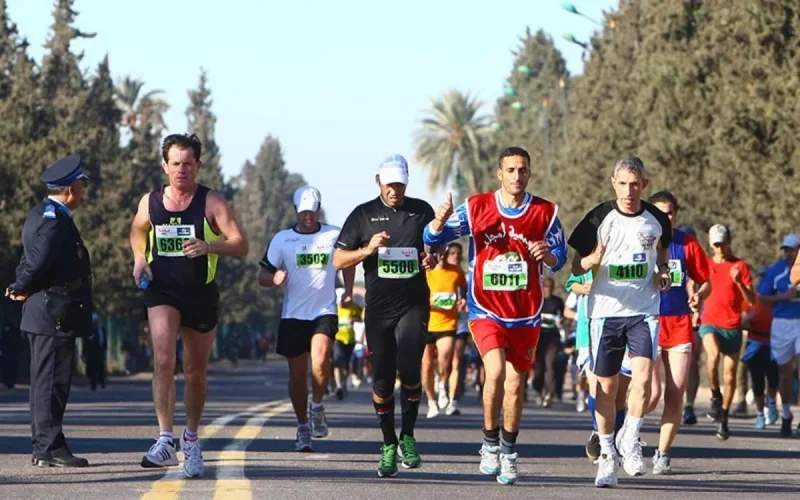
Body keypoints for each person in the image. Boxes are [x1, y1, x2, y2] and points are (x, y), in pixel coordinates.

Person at [424, 146, 567, 485]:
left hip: (525, 312)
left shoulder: (545, 212)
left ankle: (509, 451)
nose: (517, 176)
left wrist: (546, 254)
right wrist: (438, 221)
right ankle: (489, 442)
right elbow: (432, 237)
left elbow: (560, 257)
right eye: (511, 170)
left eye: (523, 170)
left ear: (529, 173)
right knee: (496, 372)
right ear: (499, 174)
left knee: (516, 386)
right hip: (485, 309)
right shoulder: (477, 208)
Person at [130, 133, 249, 477]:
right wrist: (140, 258)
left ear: (198, 165)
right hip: (162, 290)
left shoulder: (211, 202)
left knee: (195, 371)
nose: (181, 170)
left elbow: (241, 244)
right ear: (164, 165)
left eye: (188, 163)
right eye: (175, 163)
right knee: (164, 359)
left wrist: (209, 247)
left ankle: (192, 440)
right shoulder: (150, 202)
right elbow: (137, 229)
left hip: (200, 292)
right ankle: (165, 439)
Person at [568, 155, 671, 488]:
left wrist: (664, 272)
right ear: (614, 183)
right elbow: (574, 267)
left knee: (644, 376)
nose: (629, 190)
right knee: (607, 388)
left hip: (644, 311)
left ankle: (632, 437)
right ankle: (608, 453)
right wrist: (591, 259)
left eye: (635, 184)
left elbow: (663, 252)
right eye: (623, 183)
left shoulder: (656, 219)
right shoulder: (599, 218)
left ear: (644, 184)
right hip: (606, 313)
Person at [333, 154, 437, 477]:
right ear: (378, 181)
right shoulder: (363, 215)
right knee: (381, 379)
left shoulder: (422, 211)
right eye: (389, 184)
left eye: (400, 184)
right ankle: (388, 442)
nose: (395, 190)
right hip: (378, 310)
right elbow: (337, 260)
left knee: (408, 368)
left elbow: (437, 245)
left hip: (413, 304)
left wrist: (432, 258)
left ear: (407, 182)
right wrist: (367, 250)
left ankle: (408, 435)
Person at [5, 154, 93, 467]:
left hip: (46, 311)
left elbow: (28, 259)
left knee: (46, 381)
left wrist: (21, 284)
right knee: (51, 383)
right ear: (70, 189)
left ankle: (46, 445)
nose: (84, 190)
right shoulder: (54, 221)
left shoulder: (40, 214)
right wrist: (20, 286)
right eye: (82, 184)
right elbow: (39, 261)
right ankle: (49, 446)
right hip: (52, 312)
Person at [259, 185, 354, 450]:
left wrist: (347, 290)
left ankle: (318, 406)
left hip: (323, 310)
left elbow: (348, 261)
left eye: (312, 212)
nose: (308, 217)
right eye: (303, 213)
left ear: (318, 209)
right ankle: (302, 426)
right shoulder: (282, 240)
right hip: (293, 315)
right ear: (296, 211)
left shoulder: (334, 235)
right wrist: (274, 278)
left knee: (322, 358)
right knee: (298, 374)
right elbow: (262, 275)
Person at [645, 192, 711, 474]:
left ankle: (662, 453)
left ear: (676, 214)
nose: (666, 218)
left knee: (675, 392)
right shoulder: (642, 239)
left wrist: (698, 294)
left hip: (679, 324)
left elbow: (705, 280)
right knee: (649, 391)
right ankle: (624, 426)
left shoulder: (687, 243)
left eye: (670, 212)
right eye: (660, 212)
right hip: (647, 322)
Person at [699, 224, 756, 440]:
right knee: (712, 357)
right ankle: (715, 395)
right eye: (716, 244)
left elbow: (751, 301)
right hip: (710, 321)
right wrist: (695, 305)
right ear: (711, 245)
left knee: (730, 376)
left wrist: (739, 282)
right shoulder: (706, 264)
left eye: (723, 243)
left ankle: (723, 417)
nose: (720, 248)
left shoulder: (740, 266)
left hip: (732, 325)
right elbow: (696, 286)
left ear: (729, 242)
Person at [755, 234, 800, 437]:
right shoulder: (776, 270)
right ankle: (786, 414)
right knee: (785, 373)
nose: (789, 253)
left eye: (793, 249)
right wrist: (783, 297)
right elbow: (761, 298)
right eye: (786, 249)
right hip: (781, 324)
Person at [423, 242, 467, 418]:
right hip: (426, 322)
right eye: (437, 252)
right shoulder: (426, 270)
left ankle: (441, 384)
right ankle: (431, 401)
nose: (441, 255)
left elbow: (463, 289)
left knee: (445, 359)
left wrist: (462, 300)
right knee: (426, 365)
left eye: (444, 252)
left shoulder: (456, 272)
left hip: (447, 323)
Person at [743, 265, 779, 430]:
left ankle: (771, 403)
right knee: (757, 383)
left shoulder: (778, 299)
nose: (762, 281)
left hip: (774, 343)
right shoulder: (751, 300)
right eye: (760, 278)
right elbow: (742, 322)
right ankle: (759, 414)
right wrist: (747, 319)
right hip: (755, 343)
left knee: (773, 378)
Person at [533, 277, 565, 407]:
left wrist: (561, 321)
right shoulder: (537, 300)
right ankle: (539, 390)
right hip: (538, 337)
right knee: (539, 366)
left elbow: (563, 316)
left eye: (550, 286)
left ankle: (549, 393)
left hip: (553, 337)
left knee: (550, 364)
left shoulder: (558, 301)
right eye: (546, 286)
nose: (548, 289)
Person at [449, 243, 470, 415]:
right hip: (439, 323)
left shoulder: (468, 277)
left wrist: (468, 305)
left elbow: (476, 298)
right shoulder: (437, 273)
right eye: (452, 253)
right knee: (443, 362)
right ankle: (441, 384)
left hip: (461, 324)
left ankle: (453, 399)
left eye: (458, 253)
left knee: (456, 359)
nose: (455, 256)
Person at [334, 288, 363, 400]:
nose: (341, 302)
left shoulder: (353, 307)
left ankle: (344, 382)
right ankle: (339, 386)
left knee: (345, 365)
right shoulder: (333, 309)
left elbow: (362, 316)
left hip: (350, 339)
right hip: (337, 338)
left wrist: (354, 319)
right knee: (337, 363)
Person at [83, 312, 107, 391]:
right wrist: (84, 354)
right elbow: (85, 343)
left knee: (100, 368)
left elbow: (104, 343)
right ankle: (93, 384)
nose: (95, 323)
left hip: (100, 354)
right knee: (91, 370)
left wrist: (104, 351)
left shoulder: (101, 330)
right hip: (91, 355)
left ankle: (101, 382)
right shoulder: (89, 331)